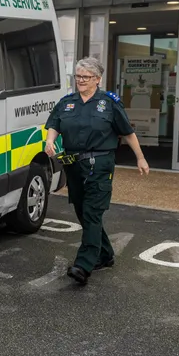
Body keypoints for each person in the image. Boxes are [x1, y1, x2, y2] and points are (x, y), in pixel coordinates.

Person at [44, 57, 150, 286]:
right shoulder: (67, 102)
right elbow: (54, 124)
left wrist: (140, 158)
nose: (81, 80)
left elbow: (127, 132)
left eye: (86, 77)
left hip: (99, 164)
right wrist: (50, 140)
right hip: (73, 164)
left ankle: (84, 264)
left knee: (92, 212)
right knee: (83, 211)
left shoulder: (109, 103)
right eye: (78, 76)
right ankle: (105, 254)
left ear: (97, 79)